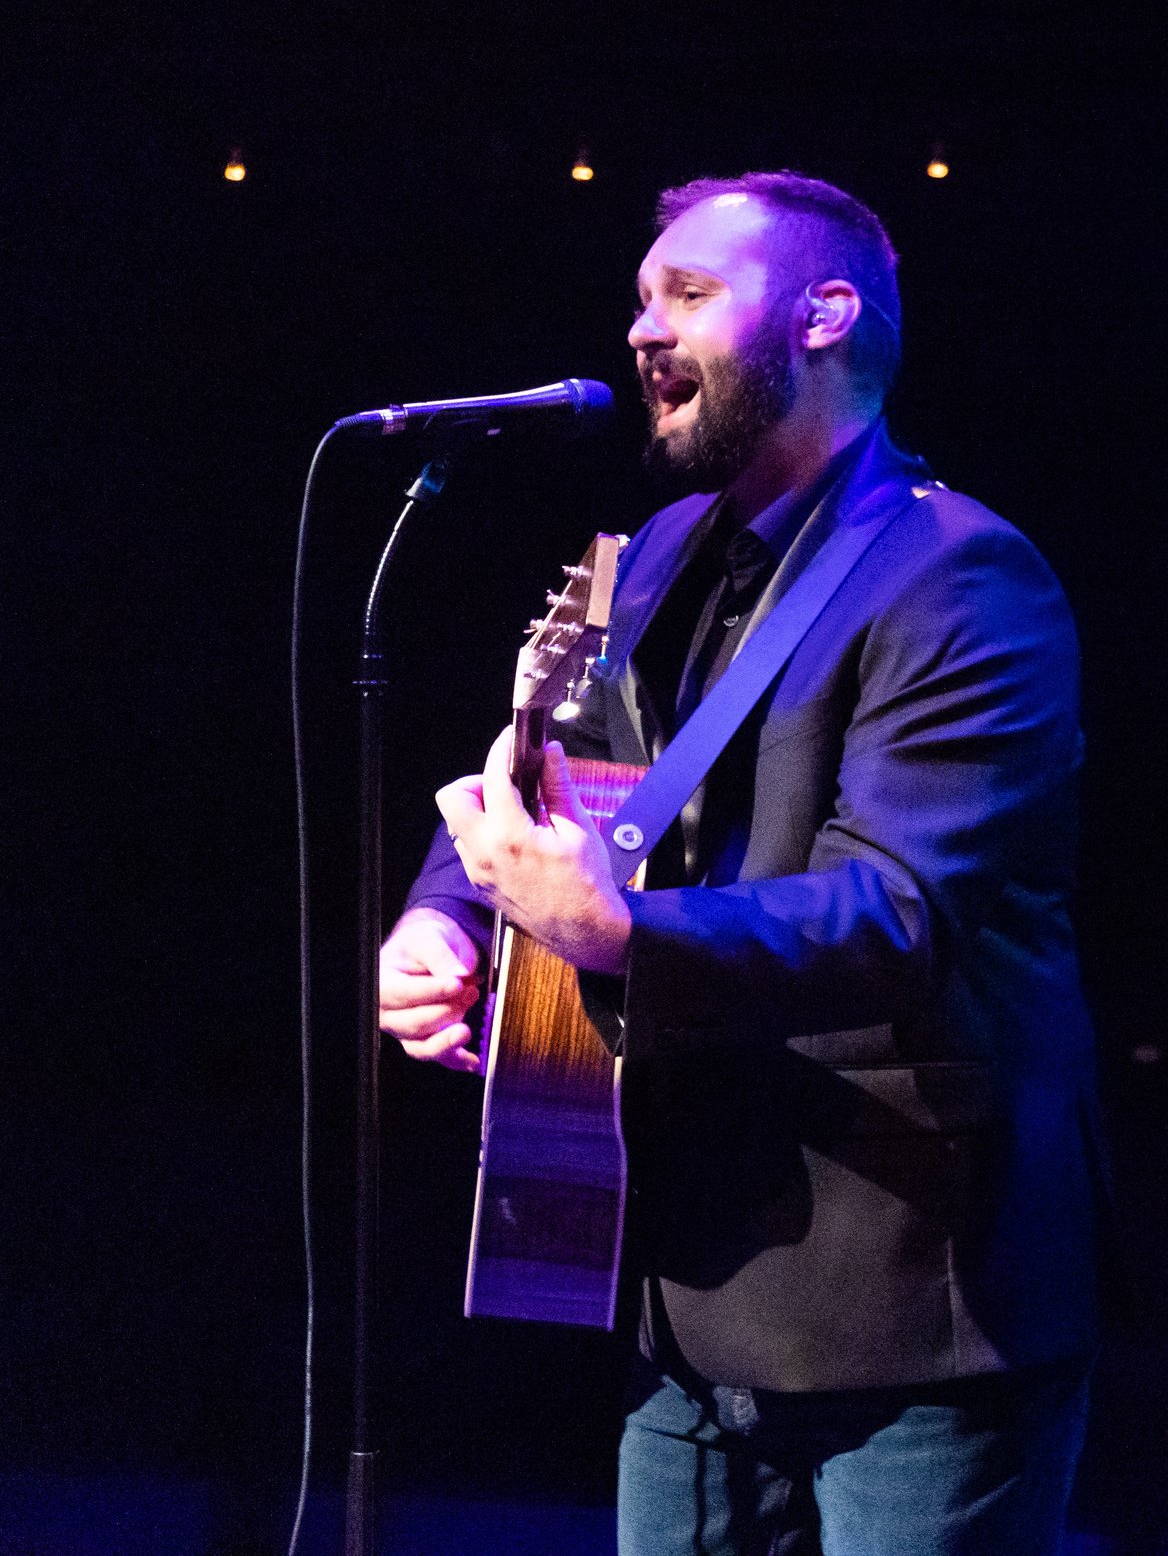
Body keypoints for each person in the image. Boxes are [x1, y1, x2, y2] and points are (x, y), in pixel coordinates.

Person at [378, 172, 1101, 1555]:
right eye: (643, 299)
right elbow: (556, 778)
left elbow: (896, 912)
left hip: (911, 1296)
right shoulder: (651, 555)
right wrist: (452, 918)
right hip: (684, 1279)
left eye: (692, 296)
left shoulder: (961, 572)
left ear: (827, 316)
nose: (646, 330)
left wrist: (617, 936)